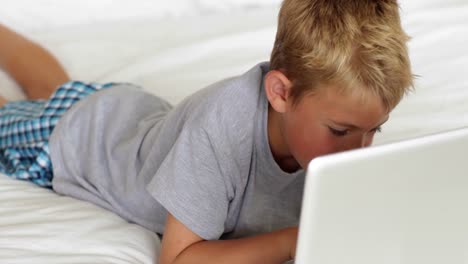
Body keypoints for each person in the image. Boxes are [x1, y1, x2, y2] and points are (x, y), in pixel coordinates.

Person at [0, 0, 413, 263]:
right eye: (340, 130)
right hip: (76, 140)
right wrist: (294, 240)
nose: (359, 149)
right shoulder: (220, 129)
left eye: (374, 130)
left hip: (127, 114)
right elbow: (179, 260)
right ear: (281, 93)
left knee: (56, 89)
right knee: (37, 107)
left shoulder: (331, 126)